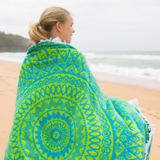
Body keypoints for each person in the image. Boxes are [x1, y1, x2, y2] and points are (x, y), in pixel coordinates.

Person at [4, 6, 155, 160]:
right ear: (59, 26)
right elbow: (93, 101)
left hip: (35, 139)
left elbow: (24, 109)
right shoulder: (74, 58)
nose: (73, 30)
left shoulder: (30, 60)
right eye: (71, 25)